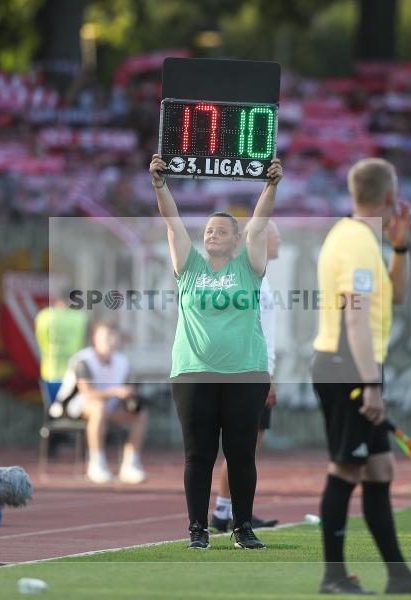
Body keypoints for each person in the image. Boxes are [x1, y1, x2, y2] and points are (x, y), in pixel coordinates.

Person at [312, 158, 411, 595]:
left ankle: (399, 577)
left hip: (356, 365)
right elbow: (355, 318)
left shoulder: (363, 238)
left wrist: (401, 248)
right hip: (348, 366)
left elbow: (397, 295)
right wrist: (370, 384)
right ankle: (334, 577)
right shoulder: (355, 242)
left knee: (380, 469)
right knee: (346, 468)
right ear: (390, 195)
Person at [149, 153, 281, 551]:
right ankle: (197, 530)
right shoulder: (189, 267)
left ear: (237, 241)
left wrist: (271, 185)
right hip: (193, 373)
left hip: (246, 374)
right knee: (198, 455)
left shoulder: (249, 267)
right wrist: (160, 185)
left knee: (241, 454)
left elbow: (259, 224)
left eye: (221, 231)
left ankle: (242, 527)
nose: (212, 235)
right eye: (208, 230)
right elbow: (173, 223)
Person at [210, 220, 281, 533]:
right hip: (251, 371)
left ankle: (229, 510)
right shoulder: (250, 278)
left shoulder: (258, 277)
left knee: (246, 448)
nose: (279, 242)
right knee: (243, 447)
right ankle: (226, 512)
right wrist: (267, 374)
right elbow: (256, 332)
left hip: (254, 369)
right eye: (276, 236)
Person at [60, 321, 148, 484]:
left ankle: (131, 465)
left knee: (139, 414)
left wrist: (131, 397)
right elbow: (87, 393)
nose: (111, 341)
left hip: (110, 408)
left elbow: (128, 389)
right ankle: (96, 464)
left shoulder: (123, 361)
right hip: (75, 407)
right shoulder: (83, 360)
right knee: (98, 408)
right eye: (107, 337)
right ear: (95, 338)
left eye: (114, 336)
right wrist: (116, 391)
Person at [34, 285, 88, 406]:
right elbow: (84, 343)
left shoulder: (44, 316)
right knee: (71, 410)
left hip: (50, 371)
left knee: (53, 409)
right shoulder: (80, 317)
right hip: (73, 373)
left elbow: (40, 339)